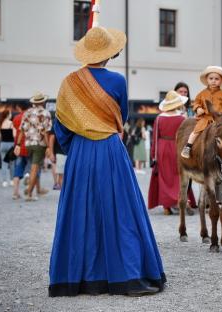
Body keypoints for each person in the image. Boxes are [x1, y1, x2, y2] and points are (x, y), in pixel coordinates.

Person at [48, 26, 165, 297]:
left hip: (79, 151)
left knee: (80, 211)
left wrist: (77, 146)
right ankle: (127, 275)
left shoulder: (69, 82)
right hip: (110, 149)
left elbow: (62, 126)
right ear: (110, 53)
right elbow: (120, 118)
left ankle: (75, 277)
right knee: (121, 211)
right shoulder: (118, 81)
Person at [148, 90, 197, 215]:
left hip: (163, 149)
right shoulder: (182, 118)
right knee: (179, 176)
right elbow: (186, 136)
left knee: (165, 177)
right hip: (178, 146)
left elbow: (155, 138)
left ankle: (166, 207)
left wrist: (153, 155)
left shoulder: (159, 119)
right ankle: (183, 200)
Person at [181, 65, 222, 159]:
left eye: (216, 79)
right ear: (207, 80)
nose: (213, 81)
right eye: (211, 78)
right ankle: (188, 146)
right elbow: (196, 102)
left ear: (221, 80)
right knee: (196, 131)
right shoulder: (202, 93)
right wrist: (198, 108)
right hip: (205, 118)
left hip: (219, 120)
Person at [14, 92, 52, 201]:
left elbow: (21, 130)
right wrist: (49, 147)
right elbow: (46, 132)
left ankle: (38, 189)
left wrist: (18, 144)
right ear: (43, 101)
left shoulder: (27, 113)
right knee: (35, 168)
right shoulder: (45, 113)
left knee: (35, 166)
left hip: (28, 144)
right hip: (39, 144)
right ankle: (29, 193)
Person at [11, 102, 30, 200]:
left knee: (17, 170)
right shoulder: (31, 117)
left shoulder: (16, 118)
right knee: (32, 168)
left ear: (19, 107)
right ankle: (29, 191)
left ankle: (15, 193)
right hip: (30, 146)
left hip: (19, 147)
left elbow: (15, 133)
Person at [0, 109, 15, 187]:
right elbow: (14, 135)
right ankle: (12, 180)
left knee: (4, 163)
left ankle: (4, 181)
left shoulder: (0, 123)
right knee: (12, 163)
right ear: (8, 114)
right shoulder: (11, 123)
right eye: (10, 113)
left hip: (2, 144)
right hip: (10, 145)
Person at [48, 121, 67, 190]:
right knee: (62, 175)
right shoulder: (58, 123)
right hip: (60, 152)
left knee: (62, 174)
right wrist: (51, 152)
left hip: (65, 152)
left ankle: (57, 183)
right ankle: (57, 184)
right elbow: (51, 138)